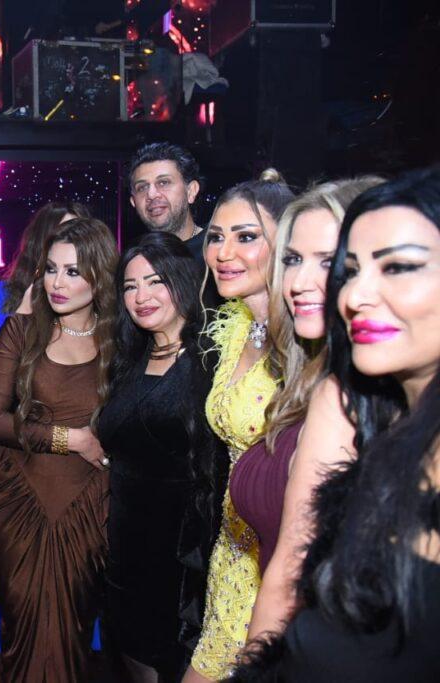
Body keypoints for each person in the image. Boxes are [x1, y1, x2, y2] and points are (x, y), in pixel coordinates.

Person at [231, 166, 440, 681]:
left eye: (398, 267)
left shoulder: (347, 398)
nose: (352, 294)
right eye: (350, 269)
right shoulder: (352, 397)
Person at [234, 177, 383, 646]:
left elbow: (289, 575)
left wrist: (254, 670)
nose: (298, 282)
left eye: (328, 260)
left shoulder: (345, 396)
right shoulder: (309, 379)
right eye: (293, 260)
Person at [0, 217, 117, 681]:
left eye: (73, 272)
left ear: (99, 276)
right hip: (18, 500)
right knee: (24, 627)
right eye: (51, 269)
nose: (57, 282)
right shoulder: (21, 331)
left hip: (87, 505)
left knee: (71, 631)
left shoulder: (121, 340)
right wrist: (70, 438)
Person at [96, 232, 223, 683]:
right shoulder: (129, 359)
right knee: (130, 652)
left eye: (155, 281)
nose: (141, 296)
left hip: (184, 554)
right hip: (125, 545)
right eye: (130, 286)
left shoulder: (212, 358)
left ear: (183, 281)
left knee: (175, 662)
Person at [183, 170, 294, 683]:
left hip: (280, 558)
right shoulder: (234, 331)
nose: (223, 253)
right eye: (216, 237)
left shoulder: (309, 345)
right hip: (231, 551)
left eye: (246, 236)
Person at [127, 142, 206, 261]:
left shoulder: (218, 251)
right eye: (142, 187)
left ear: (191, 191)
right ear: (133, 202)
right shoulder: (136, 262)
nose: (151, 194)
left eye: (163, 182)